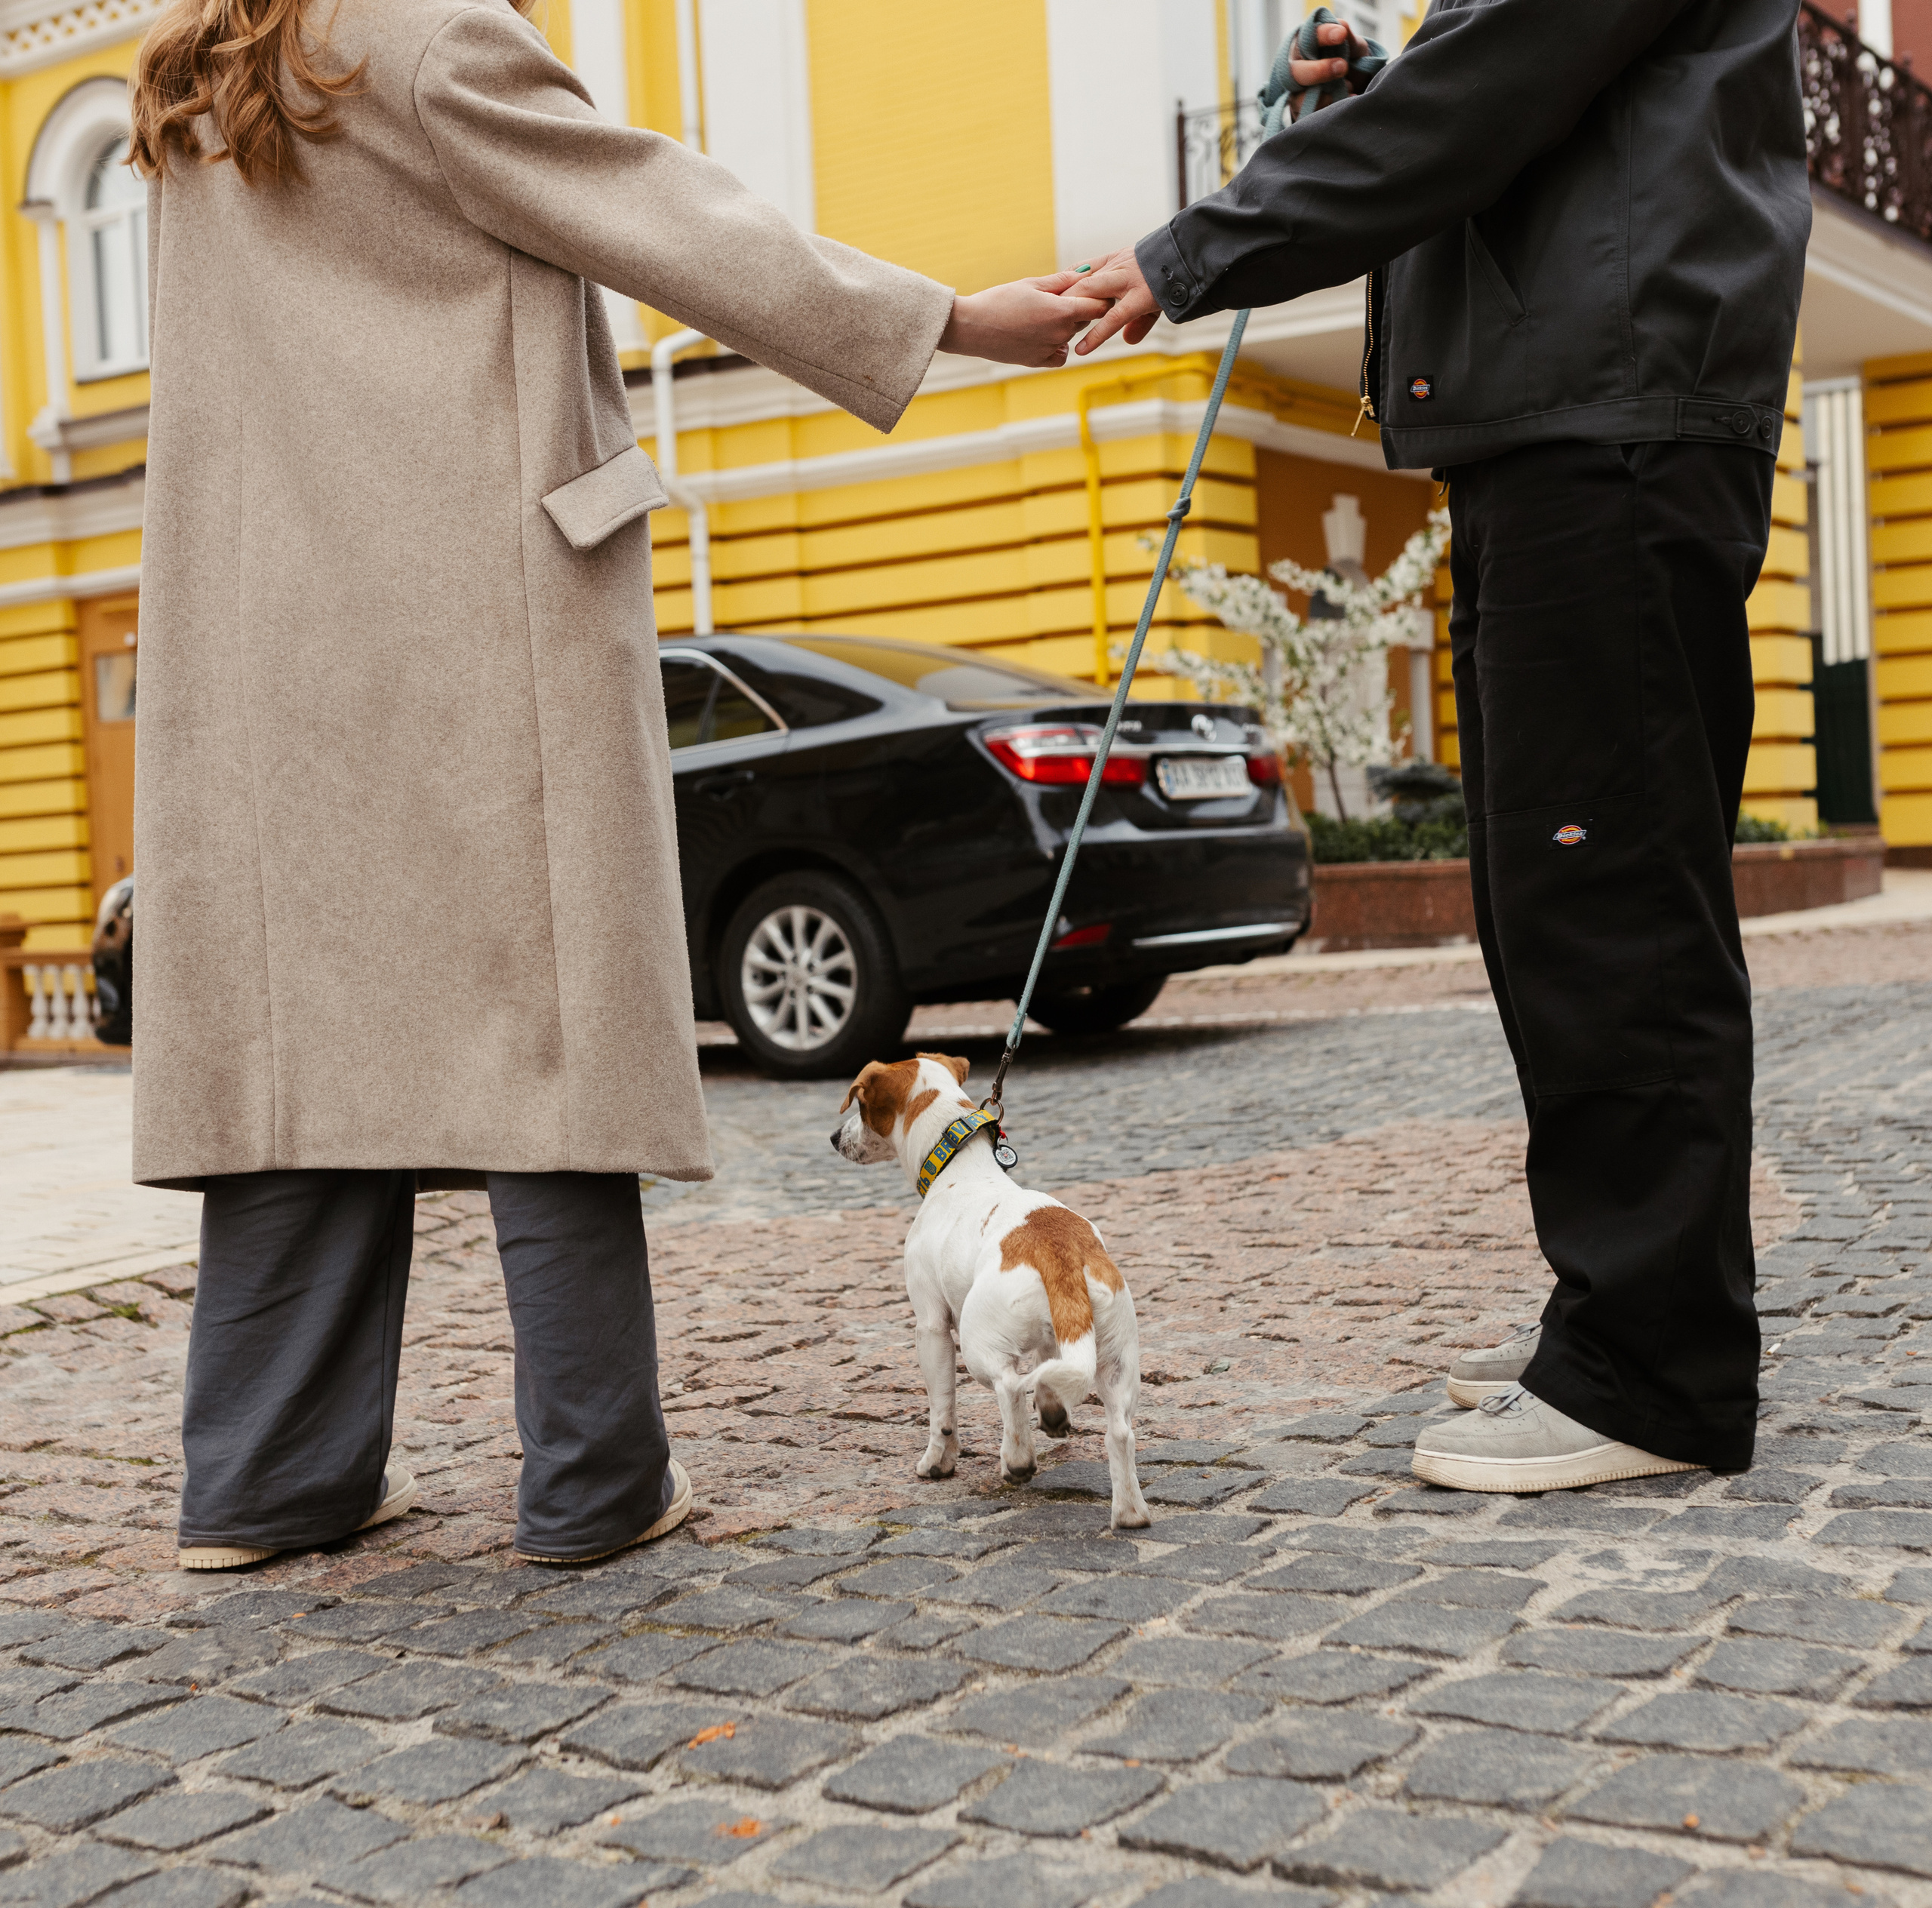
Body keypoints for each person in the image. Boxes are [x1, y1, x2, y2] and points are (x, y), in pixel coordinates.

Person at [129, 0, 1106, 1570]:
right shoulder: (430, 36)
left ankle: (265, 1483)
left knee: (298, 1055)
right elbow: (660, 209)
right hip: (470, 608)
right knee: (546, 1026)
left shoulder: (204, 66)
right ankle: (592, 1482)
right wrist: (953, 322)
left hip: (272, 638)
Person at [1068, 0, 1809, 1492]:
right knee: (1560, 904)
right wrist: (1389, 82)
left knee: (1603, 907)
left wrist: (1184, 255)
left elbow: (1488, 89)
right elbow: (1517, 89)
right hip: (1569, 416)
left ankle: (1650, 1376)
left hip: (1599, 427)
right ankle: (1620, 1324)